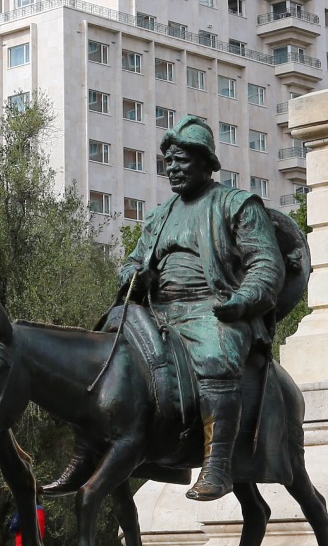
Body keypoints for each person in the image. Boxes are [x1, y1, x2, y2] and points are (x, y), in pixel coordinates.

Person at [119, 115, 285, 501]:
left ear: (207, 163)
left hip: (214, 309)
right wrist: (133, 277)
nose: (173, 168)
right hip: (158, 312)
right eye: (169, 161)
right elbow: (133, 260)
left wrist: (242, 300)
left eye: (182, 160)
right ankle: (101, 449)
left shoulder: (236, 204)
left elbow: (266, 264)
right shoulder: (160, 215)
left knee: (213, 357)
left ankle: (218, 466)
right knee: (108, 355)